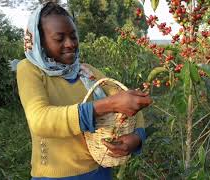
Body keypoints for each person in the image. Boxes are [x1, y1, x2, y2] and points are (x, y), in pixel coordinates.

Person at [16, 2, 152, 179]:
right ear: (39, 41)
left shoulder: (87, 72)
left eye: (73, 36)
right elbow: (40, 120)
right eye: (59, 39)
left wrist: (137, 138)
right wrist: (107, 105)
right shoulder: (29, 69)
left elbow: (128, 101)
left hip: (100, 172)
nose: (70, 44)